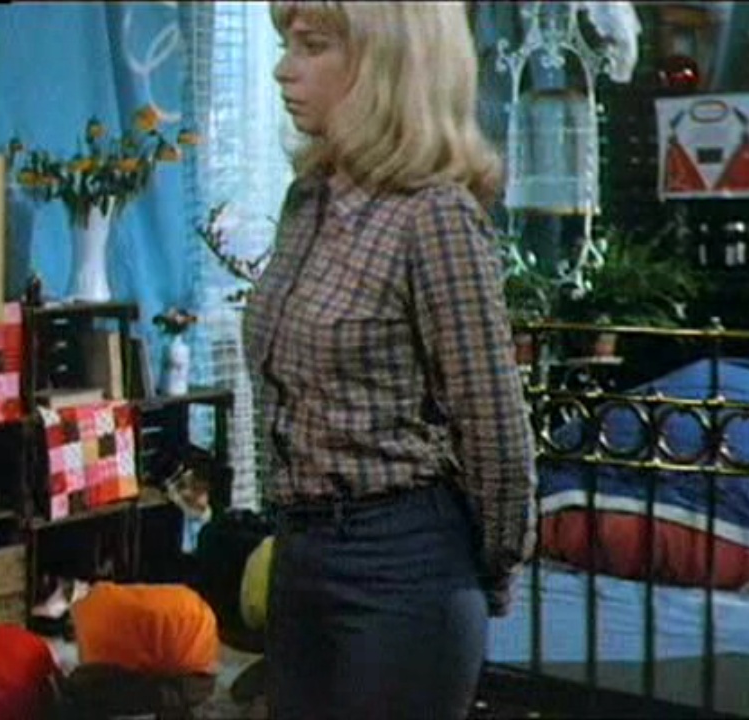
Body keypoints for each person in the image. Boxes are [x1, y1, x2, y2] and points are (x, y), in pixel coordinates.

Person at [242, 3, 537, 719]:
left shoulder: (434, 218)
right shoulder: (307, 203)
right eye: (286, 44)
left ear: (383, 66)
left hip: (403, 565)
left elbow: (494, 428)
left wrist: (491, 570)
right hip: (301, 552)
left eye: (311, 46)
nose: (283, 69)